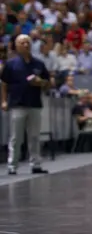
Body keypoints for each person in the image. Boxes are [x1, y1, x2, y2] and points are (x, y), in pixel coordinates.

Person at [0, 35, 51, 175]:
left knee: (34, 136)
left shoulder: (39, 64)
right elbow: (4, 84)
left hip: (34, 103)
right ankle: (12, 165)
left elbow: (48, 83)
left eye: (27, 42)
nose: (25, 45)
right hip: (17, 104)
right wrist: (3, 100)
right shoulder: (11, 64)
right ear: (16, 46)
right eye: (22, 43)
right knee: (16, 137)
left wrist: (40, 82)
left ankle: (35, 164)